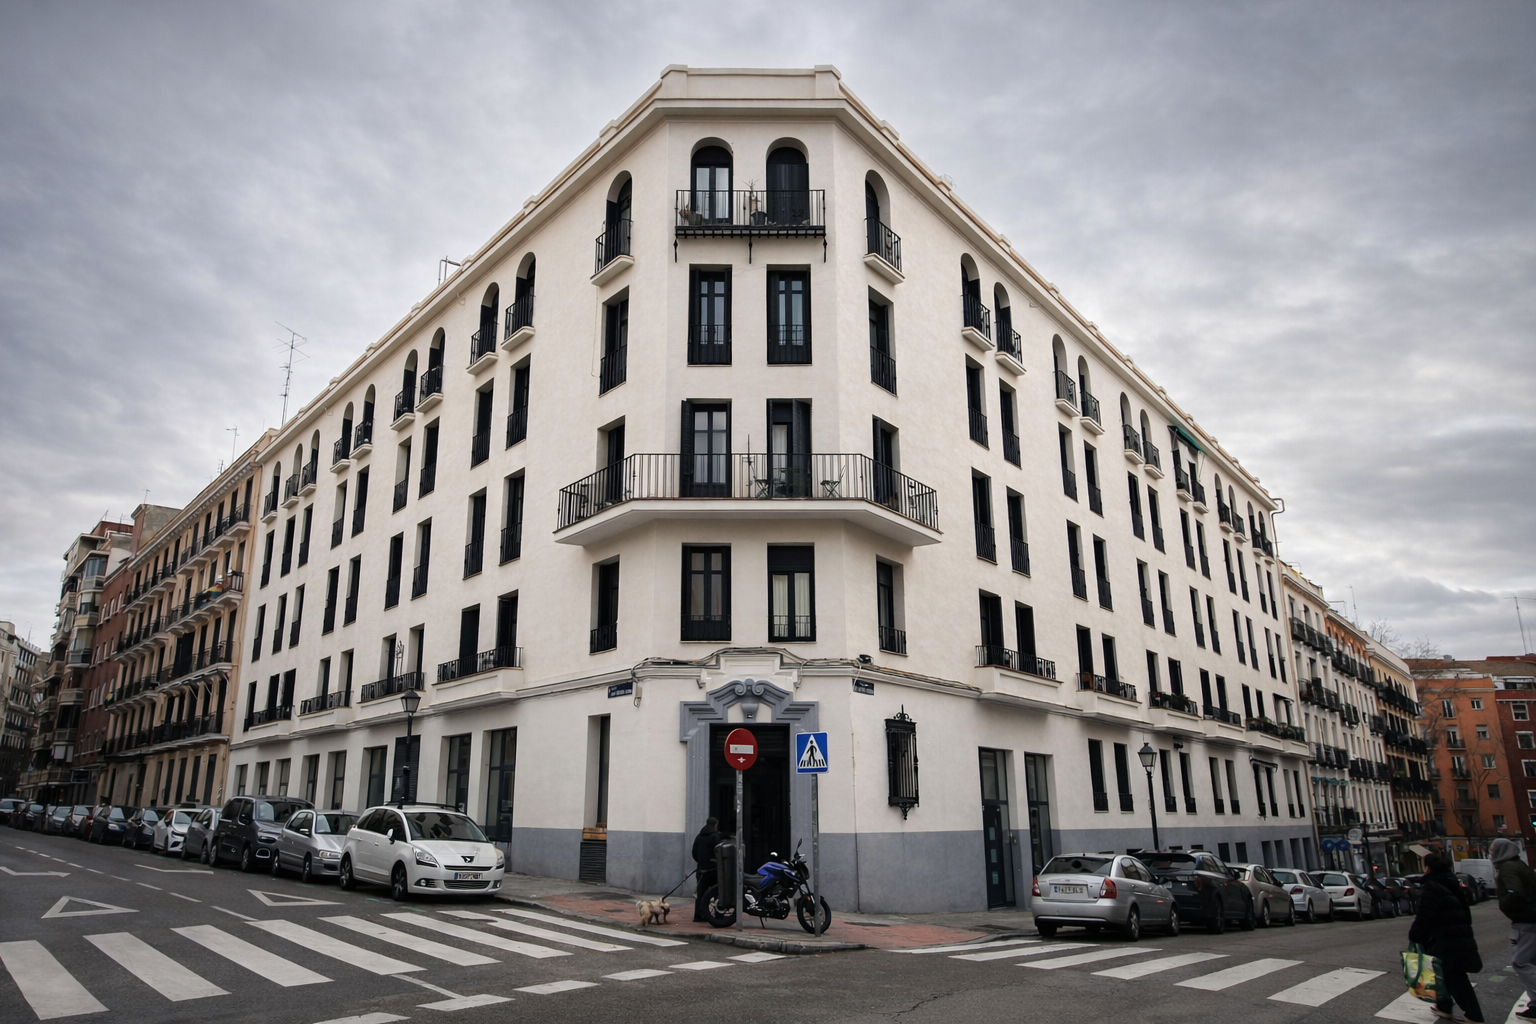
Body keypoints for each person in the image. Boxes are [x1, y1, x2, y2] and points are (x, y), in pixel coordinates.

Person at [1409, 852, 1485, 1022]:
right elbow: (1466, 912)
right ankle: (1444, 1008)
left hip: (1442, 937)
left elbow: (1425, 915)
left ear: (1427, 867)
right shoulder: (1453, 883)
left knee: (1453, 977)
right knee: (1442, 973)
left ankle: (1474, 1016)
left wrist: (1415, 935)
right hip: (1457, 934)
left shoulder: (1431, 886)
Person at [1492, 838, 1536, 1022]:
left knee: (1521, 961)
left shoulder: (1508, 868)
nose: (1491, 853)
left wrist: (1507, 905)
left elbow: (1515, 893)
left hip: (1525, 921)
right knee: (1531, 961)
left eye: (1493, 849)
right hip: (1530, 919)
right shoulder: (1520, 865)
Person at [691, 816, 724, 922]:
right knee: (717, 893)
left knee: (701, 894)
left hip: (701, 870)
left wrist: (701, 863)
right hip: (713, 870)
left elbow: (694, 853)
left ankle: (698, 915)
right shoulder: (715, 837)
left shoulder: (699, 836)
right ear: (715, 825)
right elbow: (719, 852)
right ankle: (718, 915)